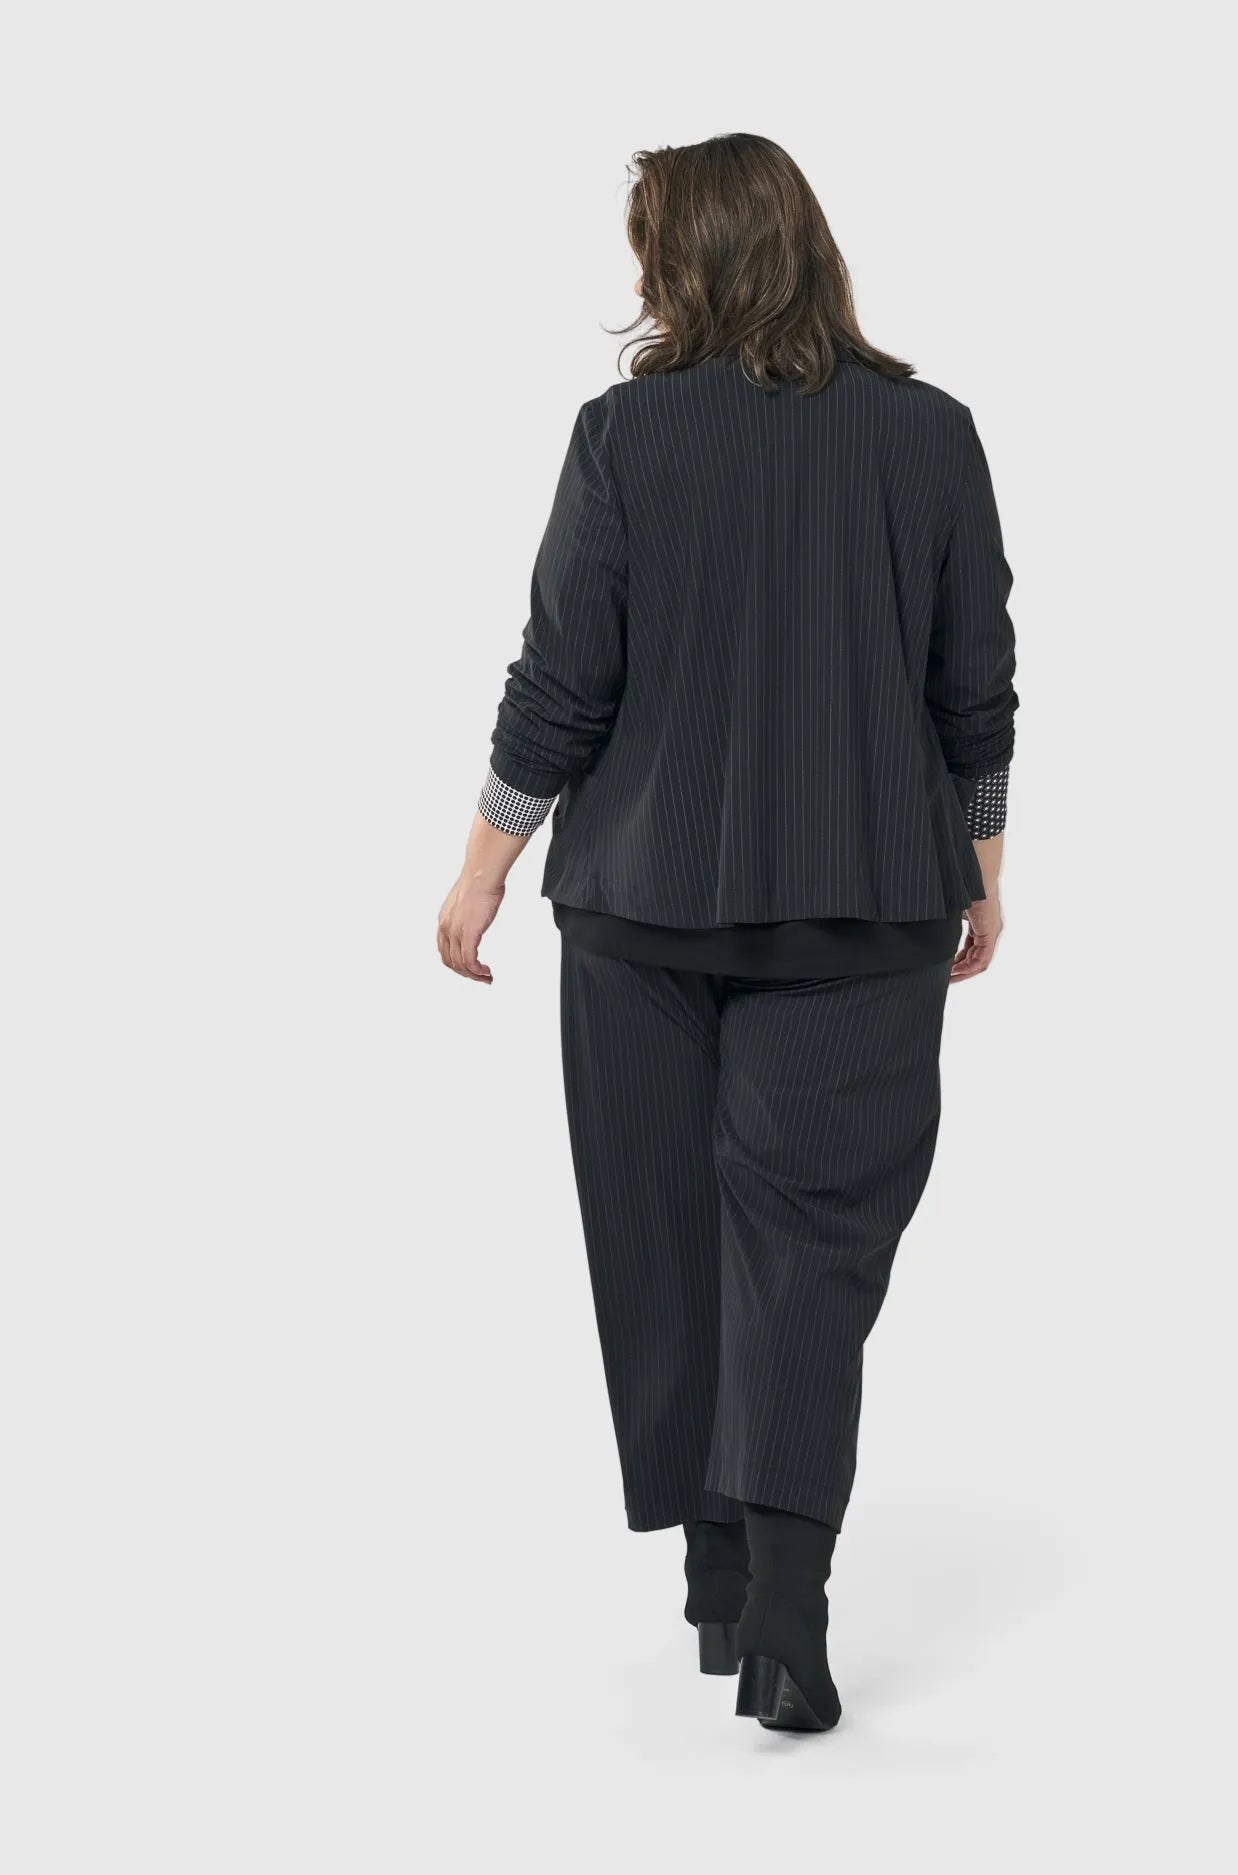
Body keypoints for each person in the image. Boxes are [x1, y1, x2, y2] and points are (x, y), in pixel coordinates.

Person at [437, 133, 1017, 1733]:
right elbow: (974, 684)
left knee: (667, 1237)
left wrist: (484, 864)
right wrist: (981, 866)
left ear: (679, 265)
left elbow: (566, 677)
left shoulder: (627, 437)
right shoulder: (931, 436)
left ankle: (717, 1581)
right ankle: (782, 1607)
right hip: (867, 899)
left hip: (642, 907)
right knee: (810, 1254)